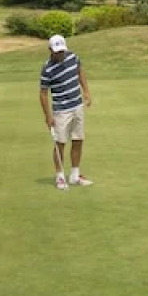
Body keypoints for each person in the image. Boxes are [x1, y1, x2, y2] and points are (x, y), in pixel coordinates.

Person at [39, 34, 92, 190]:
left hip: (77, 106)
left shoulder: (73, 57)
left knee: (78, 140)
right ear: (50, 50)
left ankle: (75, 175)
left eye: (61, 50)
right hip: (61, 111)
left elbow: (80, 71)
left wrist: (86, 91)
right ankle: (60, 177)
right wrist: (48, 116)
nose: (60, 54)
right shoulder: (47, 68)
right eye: (56, 51)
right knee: (60, 144)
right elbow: (43, 93)